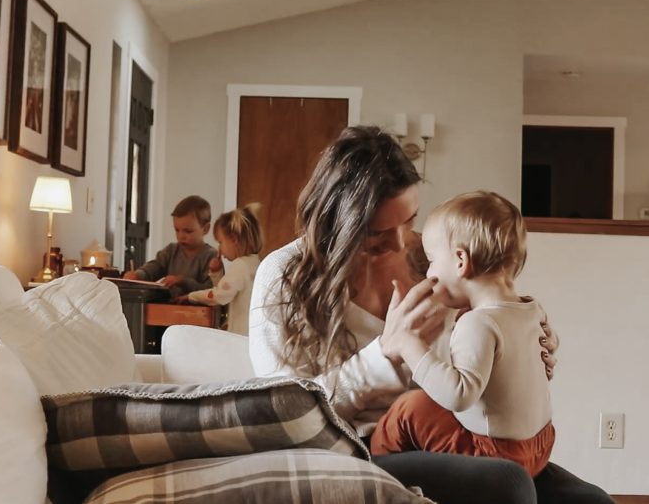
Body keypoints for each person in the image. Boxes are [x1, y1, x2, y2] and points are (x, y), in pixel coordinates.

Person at [249, 126, 614, 503]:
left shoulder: (430, 257)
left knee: (590, 501)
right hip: (358, 445)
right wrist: (383, 356)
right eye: (378, 233)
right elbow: (285, 415)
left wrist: (525, 346)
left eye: (408, 221)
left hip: (460, 432)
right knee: (507, 485)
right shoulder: (284, 276)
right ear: (336, 222)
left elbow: (488, 329)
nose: (401, 242)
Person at [371, 191, 555, 478]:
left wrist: (410, 345)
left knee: (409, 408)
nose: (429, 271)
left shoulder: (479, 323)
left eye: (431, 259)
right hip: (540, 445)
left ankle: (377, 473)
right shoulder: (531, 309)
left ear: (460, 260)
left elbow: (459, 395)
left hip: (497, 455)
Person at [185, 203, 263, 335]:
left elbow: (219, 296)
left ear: (234, 240)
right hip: (252, 336)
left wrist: (191, 296)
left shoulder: (240, 265)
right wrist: (216, 273)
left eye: (221, 242)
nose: (219, 249)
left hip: (240, 337)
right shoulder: (255, 263)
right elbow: (228, 292)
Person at [123, 195, 218, 301]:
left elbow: (211, 291)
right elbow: (154, 267)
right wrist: (138, 275)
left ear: (205, 229)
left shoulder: (211, 256)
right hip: (169, 310)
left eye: (188, 231)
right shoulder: (171, 251)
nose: (181, 236)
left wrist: (182, 281)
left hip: (198, 313)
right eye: (177, 230)